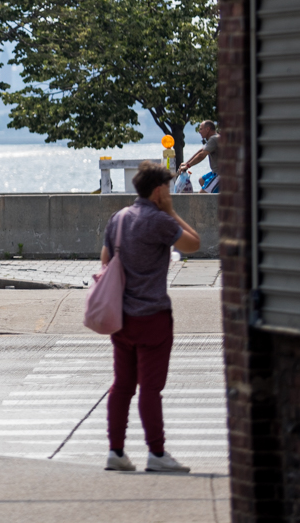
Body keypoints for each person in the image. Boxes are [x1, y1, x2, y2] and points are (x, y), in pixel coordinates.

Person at [101, 161, 201, 474]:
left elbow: (106, 262)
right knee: (150, 390)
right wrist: (170, 210)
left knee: (122, 386)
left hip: (122, 317)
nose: (169, 193)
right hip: (153, 317)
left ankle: (115, 452)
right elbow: (193, 244)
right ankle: (156, 454)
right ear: (158, 191)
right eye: (168, 188)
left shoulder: (118, 218)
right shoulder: (159, 220)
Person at [175, 121, 220, 193]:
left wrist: (188, 166)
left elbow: (202, 155)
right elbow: (201, 150)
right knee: (202, 180)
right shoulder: (214, 138)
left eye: (201, 129)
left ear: (208, 129)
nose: (199, 131)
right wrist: (186, 163)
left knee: (200, 196)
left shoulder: (213, 139)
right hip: (216, 172)